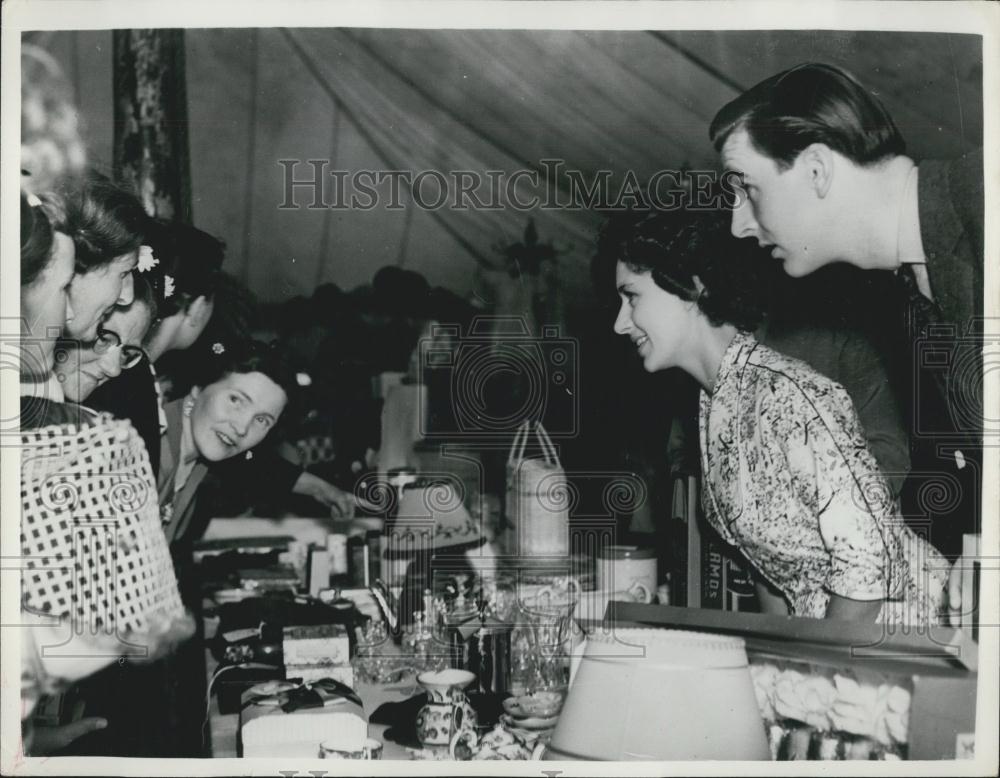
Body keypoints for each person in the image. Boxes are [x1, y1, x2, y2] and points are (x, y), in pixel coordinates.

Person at [710, 61, 982, 616]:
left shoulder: (988, 202)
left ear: (816, 170)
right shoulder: (914, 288)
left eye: (748, 188)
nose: (739, 223)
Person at [600, 209, 947, 625]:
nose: (620, 324)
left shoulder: (787, 393)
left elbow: (870, 561)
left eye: (632, 296)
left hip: (905, 632)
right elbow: (770, 566)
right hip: (829, 640)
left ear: (691, 287)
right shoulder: (716, 403)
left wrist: (814, 669)